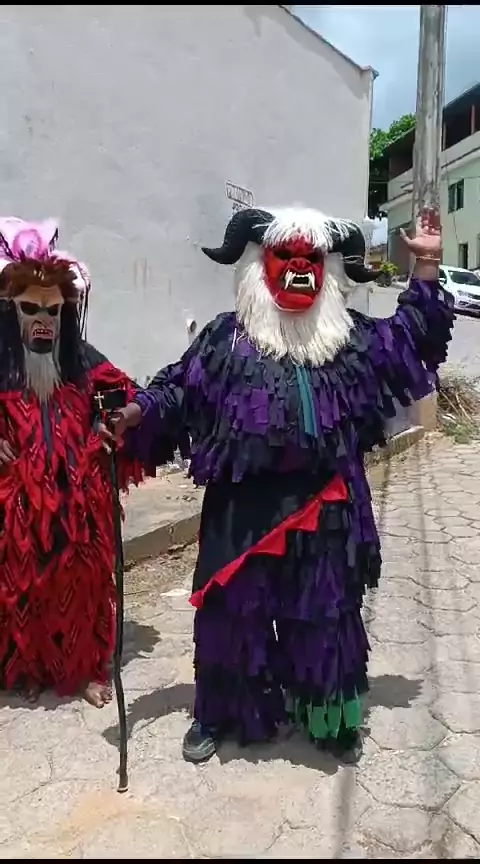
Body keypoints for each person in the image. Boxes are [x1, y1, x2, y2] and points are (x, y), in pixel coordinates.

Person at [113, 205, 453, 762]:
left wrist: (428, 266)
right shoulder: (225, 339)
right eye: (284, 255)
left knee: (325, 617)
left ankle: (326, 715)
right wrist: (135, 412)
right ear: (259, 264)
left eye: (311, 257)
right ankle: (222, 714)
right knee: (232, 617)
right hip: (243, 508)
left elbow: (411, 340)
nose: (299, 266)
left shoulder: (348, 339)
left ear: (327, 268)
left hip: (327, 506)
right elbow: (177, 390)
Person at [0, 217, 145, 707]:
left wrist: (109, 423)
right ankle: (26, 667)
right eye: (29, 308)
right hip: (15, 506)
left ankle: (83, 670)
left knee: (80, 587)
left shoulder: (81, 359)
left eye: (53, 309)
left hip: (77, 502)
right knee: (21, 587)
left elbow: (126, 397)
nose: (43, 319)